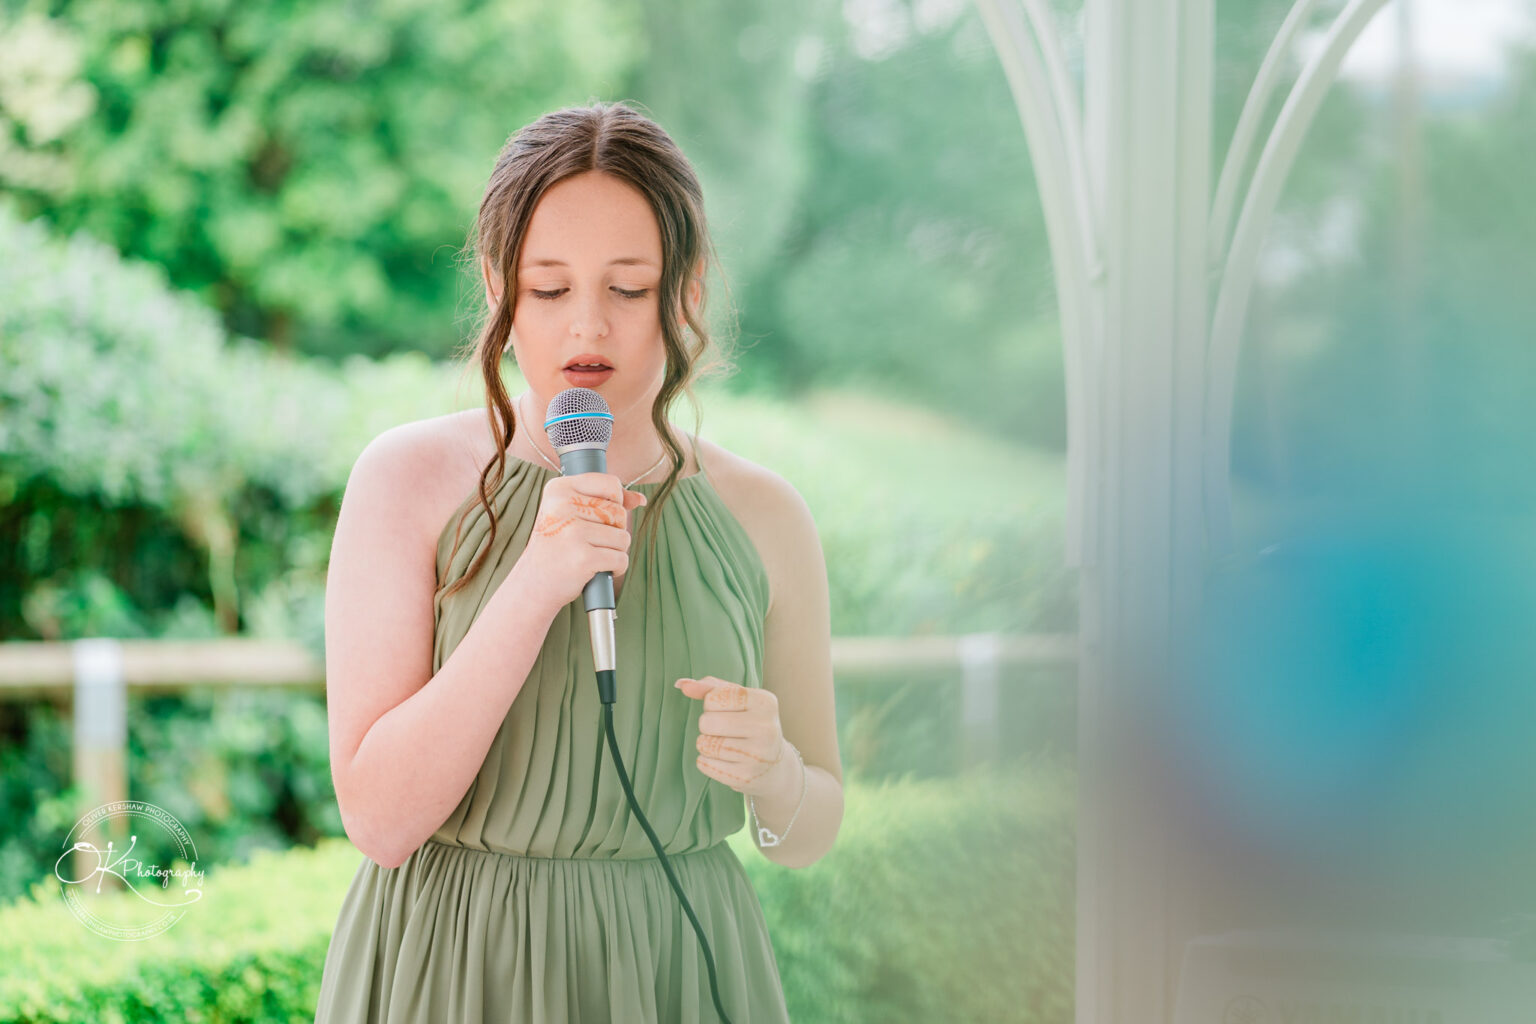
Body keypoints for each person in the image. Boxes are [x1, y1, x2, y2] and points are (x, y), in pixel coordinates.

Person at [312, 100, 844, 1023]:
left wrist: (777, 775)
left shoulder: (766, 516)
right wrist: (536, 585)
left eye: (628, 289)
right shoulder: (405, 481)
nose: (586, 328)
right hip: (450, 969)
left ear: (686, 291)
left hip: (679, 971)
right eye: (549, 289)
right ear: (498, 288)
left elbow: (811, 828)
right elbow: (379, 819)